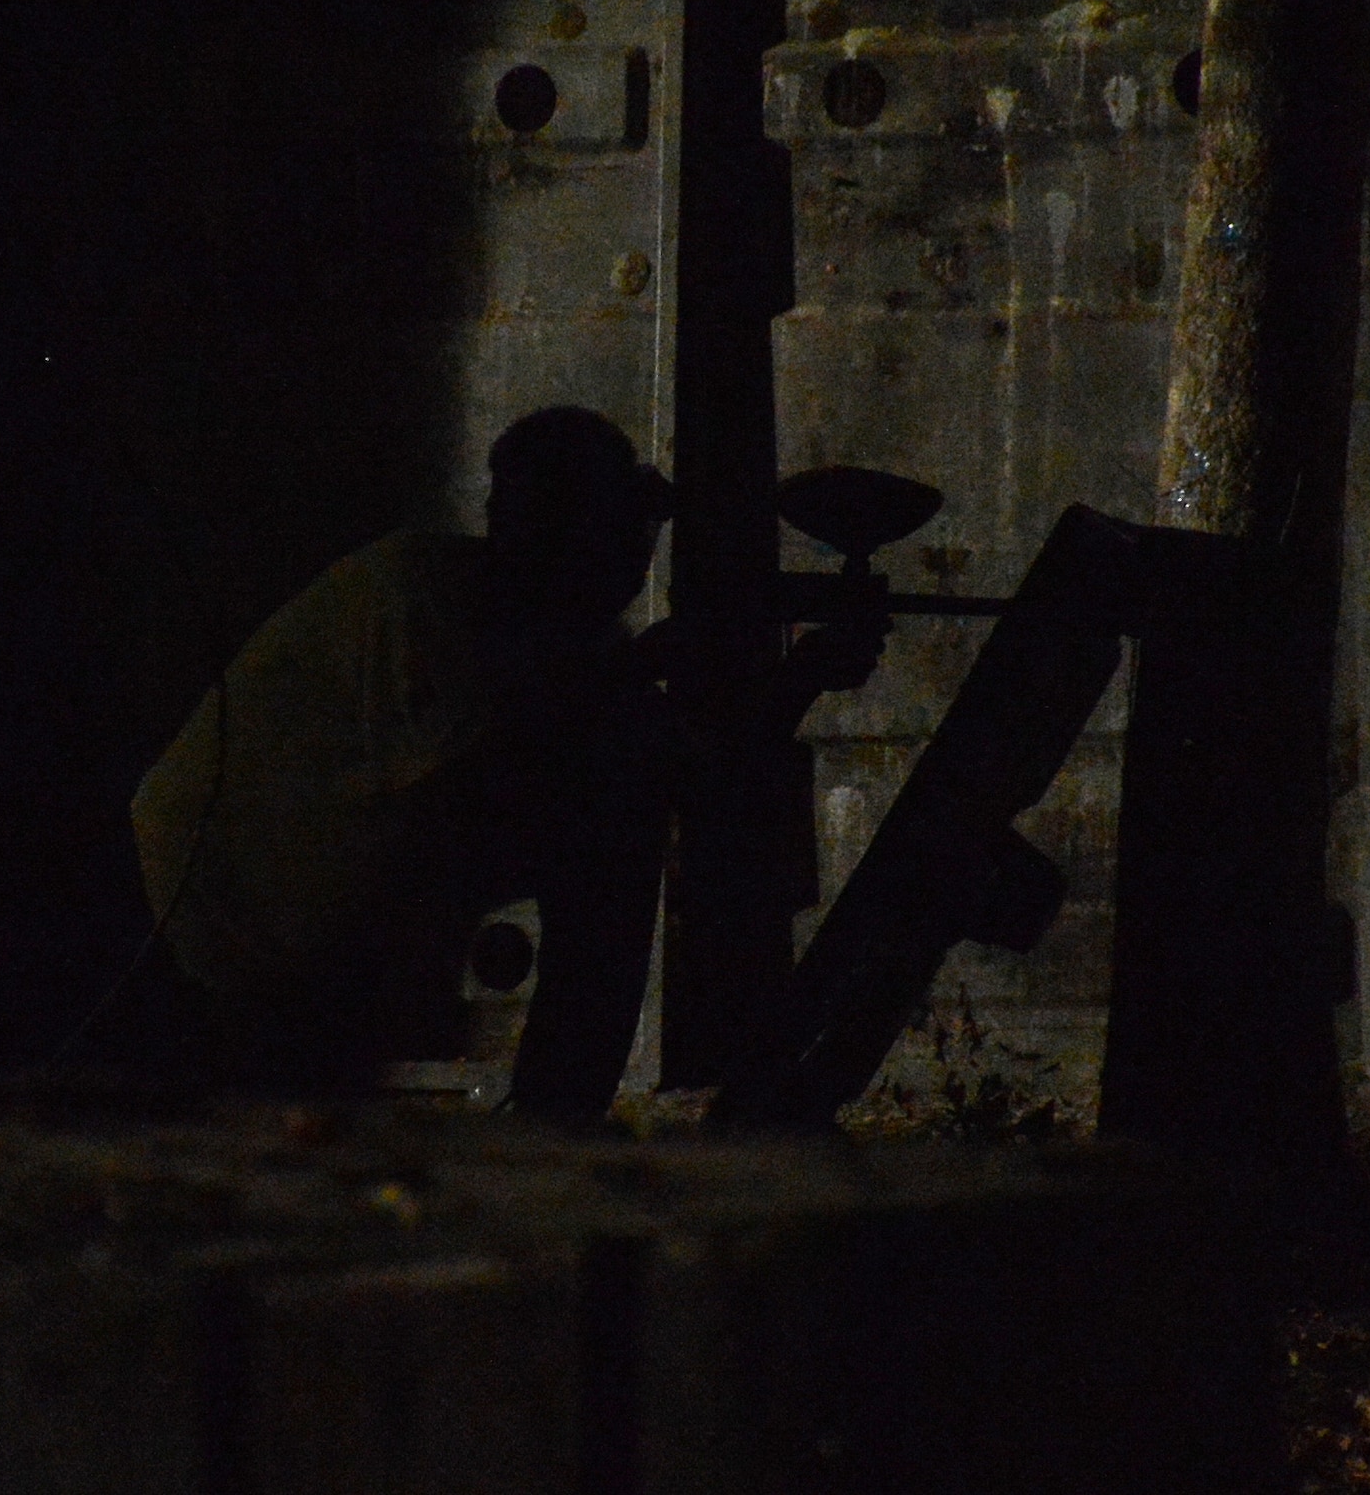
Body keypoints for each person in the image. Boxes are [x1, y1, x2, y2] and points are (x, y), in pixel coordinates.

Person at [130, 406, 884, 1118]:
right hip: (220, 905)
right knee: (616, 796)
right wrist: (638, 677)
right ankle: (558, 1116)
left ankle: (563, 1113)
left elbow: (700, 776)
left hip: (291, 899)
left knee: (630, 777)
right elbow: (482, 759)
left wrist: (801, 678)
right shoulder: (417, 591)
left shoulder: (553, 636)